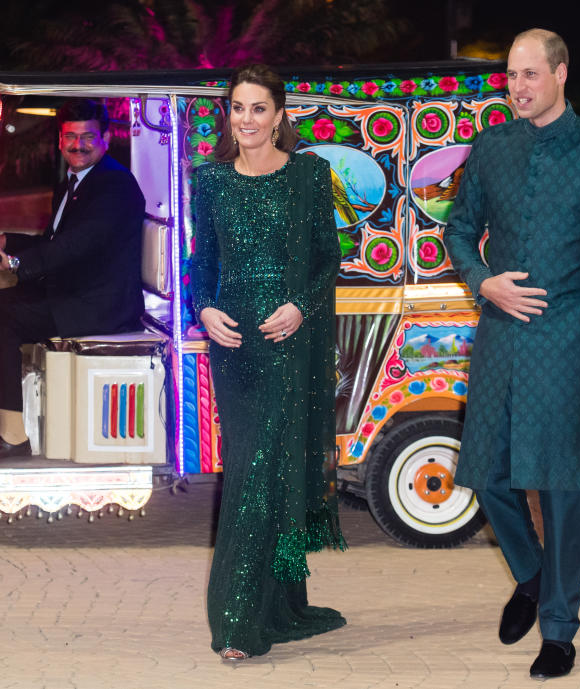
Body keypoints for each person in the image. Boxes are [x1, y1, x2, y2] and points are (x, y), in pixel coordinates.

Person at [444, 29, 580, 680]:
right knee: (488, 474)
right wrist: (482, 280)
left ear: (561, 73)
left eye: (530, 74)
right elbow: (459, 229)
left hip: (570, 339)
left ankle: (558, 629)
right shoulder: (493, 146)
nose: (517, 87)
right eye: (510, 76)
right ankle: (530, 574)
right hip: (503, 335)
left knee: (564, 488)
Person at [190, 63, 347, 661]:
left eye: (259, 108)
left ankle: (236, 623)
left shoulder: (309, 175)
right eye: (238, 107)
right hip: (235, 350)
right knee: (256, 474)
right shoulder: (210, 182)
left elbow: (326, 261)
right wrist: (204, 310)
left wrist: (301, 308)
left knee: (260, 477)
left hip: (287, 346)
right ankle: (276, 604)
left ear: (280, 115)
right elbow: (201, 266)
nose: (247, 119)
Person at [0, 99, 145, 459]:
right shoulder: (74, 182)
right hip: (74, 291)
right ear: (59, 140)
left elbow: (75, 247)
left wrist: (16, 261)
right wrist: (5, 241)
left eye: (88, 137)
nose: (78, 145)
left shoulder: (113, 186)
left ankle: (13, 434)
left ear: (106, 138)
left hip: (99, 305)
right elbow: (56, 242)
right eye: (70, 136)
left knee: (3, 319)